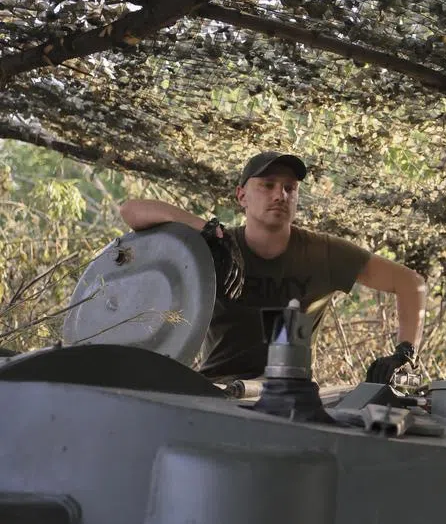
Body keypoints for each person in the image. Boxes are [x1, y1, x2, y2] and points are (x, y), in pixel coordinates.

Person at [120, 151, 427, 383]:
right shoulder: (217, 248)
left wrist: (405, 352)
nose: (280, 195)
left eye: (290, 188)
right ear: (242, 196)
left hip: (291, 398)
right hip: (217, 391)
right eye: (267, 185)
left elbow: (411, 283)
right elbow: (131, 211)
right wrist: (205, 228)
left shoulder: (323, 253)